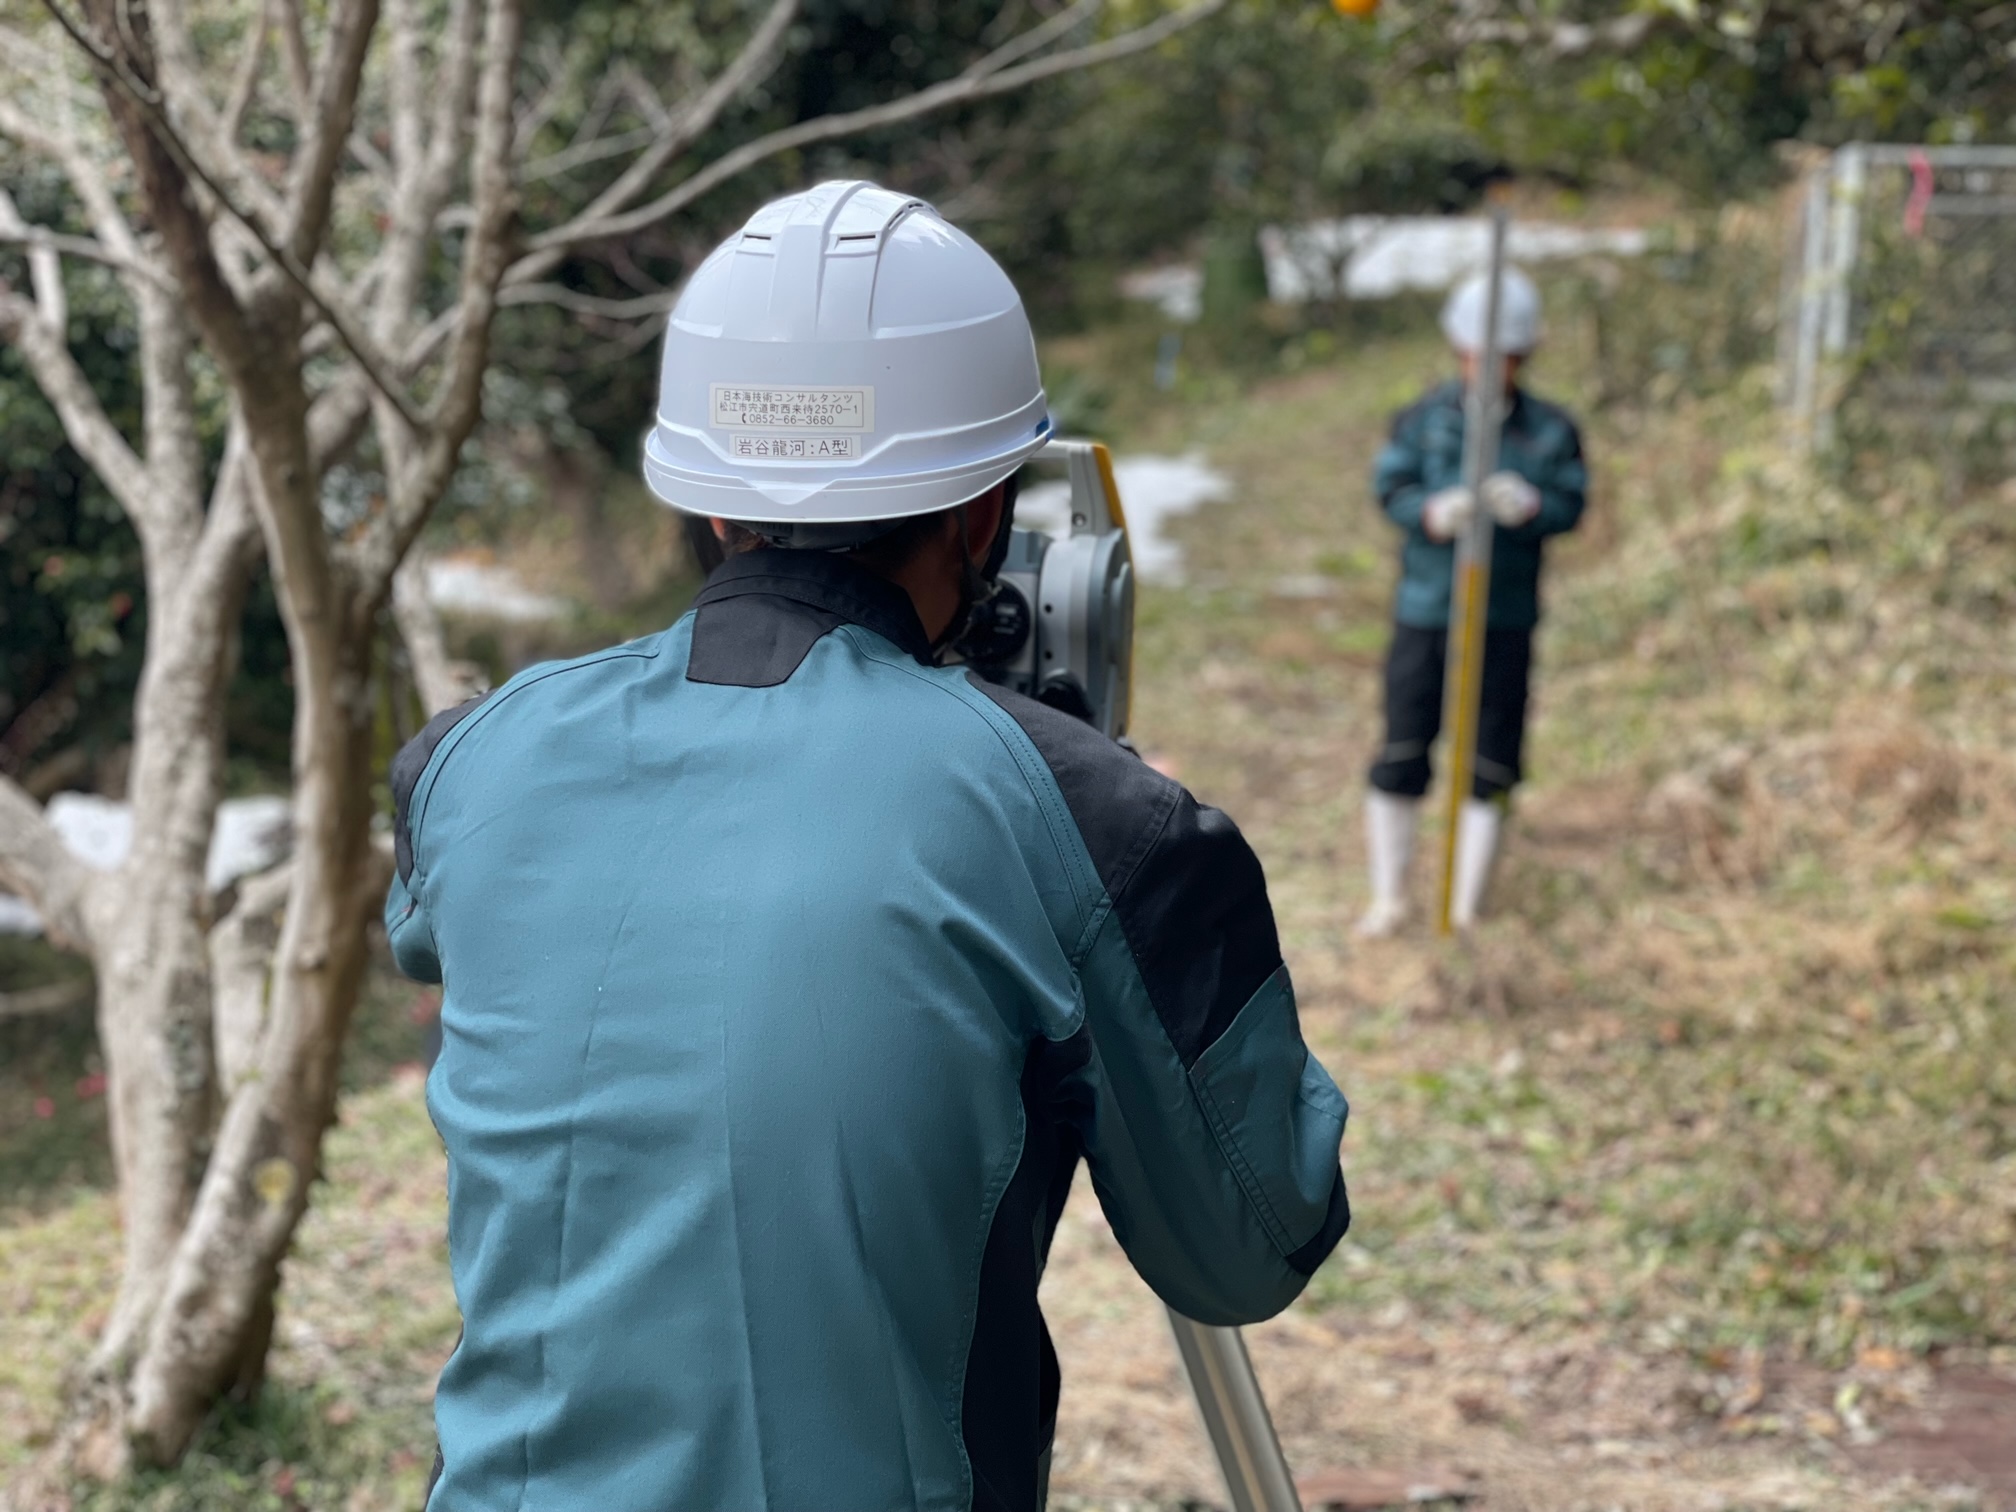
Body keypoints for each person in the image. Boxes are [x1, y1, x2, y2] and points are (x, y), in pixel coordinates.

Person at [387, 181, 1350, 1512]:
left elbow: (436, 932)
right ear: (985, 514)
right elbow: (1251, 1246)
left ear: (710, 507)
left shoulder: (466, 761)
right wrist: (1143, 858)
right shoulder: (1090, 823)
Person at [1356, 267, 1588, 936]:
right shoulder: (1423, 421)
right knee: (1404, 744)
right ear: (1458, 349)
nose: (1490, 367)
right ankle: (1390, 898)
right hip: (1427, 609)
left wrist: (1533, 506)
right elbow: (1390, 487)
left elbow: (1572, 502)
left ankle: (1467, 909)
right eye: (1479, 354)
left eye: (1506, 356)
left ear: (1525, 354)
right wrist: (1430, 513)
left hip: (1504, 616)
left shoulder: (1552, 430)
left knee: (1493, 757)